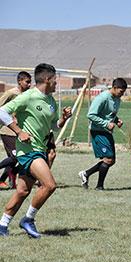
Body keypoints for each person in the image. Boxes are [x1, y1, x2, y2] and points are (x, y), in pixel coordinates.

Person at [0, 63, 72, 238]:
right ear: (47, 79)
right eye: (55, 80)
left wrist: (62, 119)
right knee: (49, 185)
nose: (57, 84)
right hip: (28, 151)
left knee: (23, 191)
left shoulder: (51, 100)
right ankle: (28, 219)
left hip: (40, 148)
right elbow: (2, 111)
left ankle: (2, 225)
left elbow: (53, 126)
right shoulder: (29, 96)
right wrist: (19, 131)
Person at [78, 78, 127, 191]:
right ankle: (99, 186)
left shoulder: (117, 99)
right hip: (98, 131)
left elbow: (109, 115)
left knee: (111, 160)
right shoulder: (102, 98)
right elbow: (91, 115)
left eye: (123, 92)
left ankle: (86, 174)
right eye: (120, 91)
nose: (122, 94)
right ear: (114, 88)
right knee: (108, 159)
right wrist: (106, 123)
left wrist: (116, 120)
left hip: (106, 131)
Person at [0, 71, 32, 189]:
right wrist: (10, 116)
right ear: (20, 81)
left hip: (19, 131)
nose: (29, 84)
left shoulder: (28, 95)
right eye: (27, 82)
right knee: (15, 157)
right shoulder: (11, 93)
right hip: (7, 130)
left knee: (15, 158)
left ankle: (7, 181)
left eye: (30, 82)